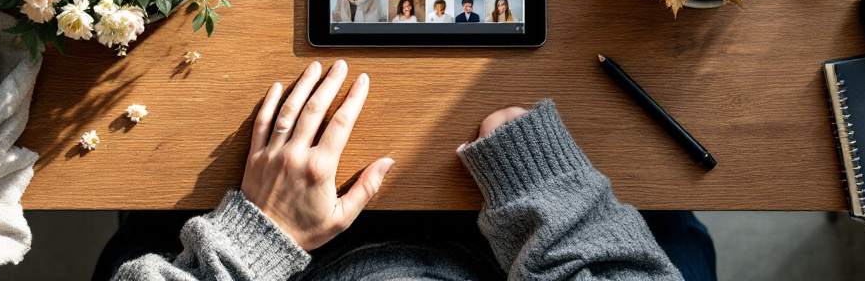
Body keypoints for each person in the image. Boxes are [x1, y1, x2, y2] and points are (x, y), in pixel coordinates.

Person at [98, 61, 716, 281]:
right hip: (511, 263)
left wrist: (258, 236)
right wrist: (550, 191)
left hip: (285, 258)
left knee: (148, 207)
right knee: (669, 218)